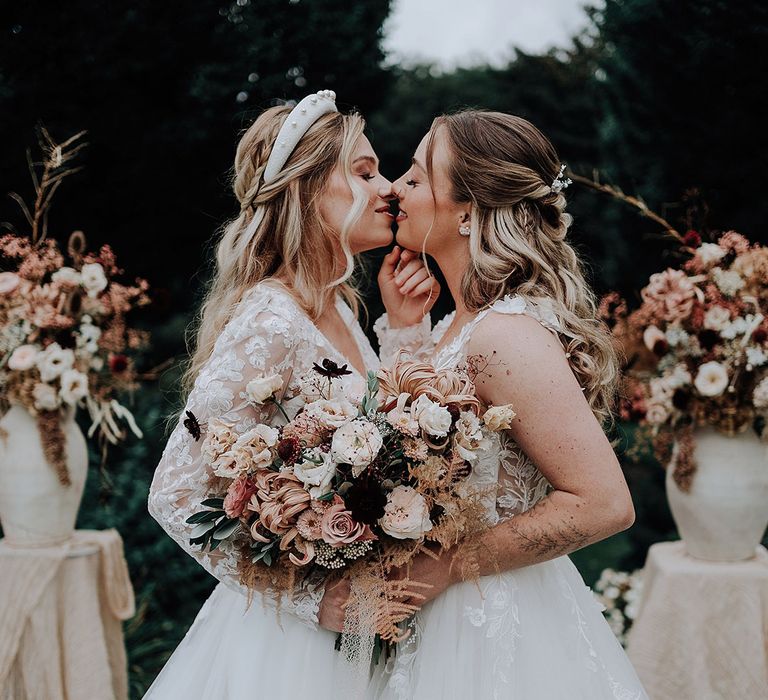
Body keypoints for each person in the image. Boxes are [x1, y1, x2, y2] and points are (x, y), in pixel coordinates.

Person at [359, 110, 649, 699]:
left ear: (468, 211)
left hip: (491, 629)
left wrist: (448, 563)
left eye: (416, 178)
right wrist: (405, 328)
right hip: (441, 615)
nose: (395, 189)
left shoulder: (505, 335)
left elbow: (605, 503)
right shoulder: (463, 325)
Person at [144, 90, 398, 698]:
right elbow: (175, 493)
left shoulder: (337, 304)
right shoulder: (271, 319)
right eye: (364, 172)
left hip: (375, 613)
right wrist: (314, 599)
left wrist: (406, 326)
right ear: (307, 192)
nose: (389, 187)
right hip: (295, 650)